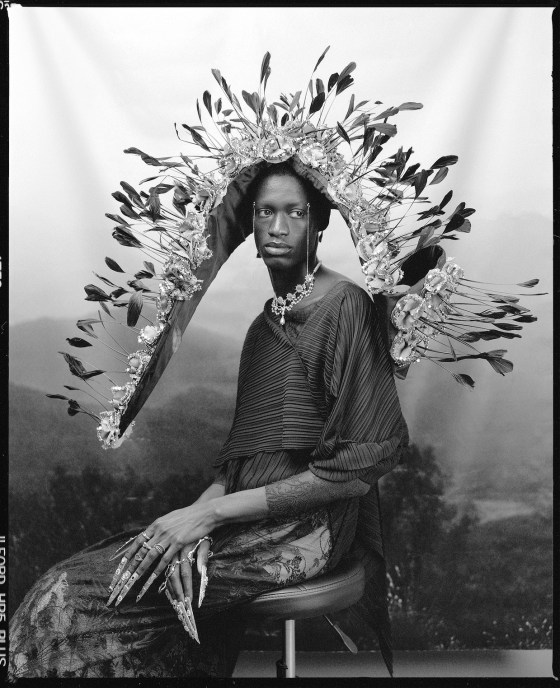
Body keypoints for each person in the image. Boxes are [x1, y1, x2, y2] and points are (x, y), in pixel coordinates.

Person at [8, 161, 408, 678]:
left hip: (305, 527)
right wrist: (186, 523)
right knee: (70, 580)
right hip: (240, 518)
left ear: (320, 224)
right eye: (265, 212)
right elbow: (236, 467)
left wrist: (210, 518)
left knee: (67, 601)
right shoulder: (262, 330)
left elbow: (353, 470)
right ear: (249, 225)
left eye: (295, 213)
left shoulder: (345, 306)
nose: (278, 227)